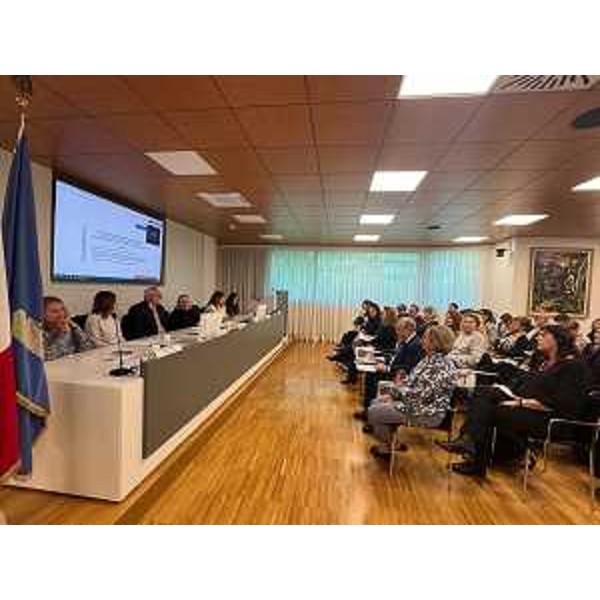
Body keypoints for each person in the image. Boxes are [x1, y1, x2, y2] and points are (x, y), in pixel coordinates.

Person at [442, 325, 591, 477]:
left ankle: (475, 455)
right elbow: (532, 387)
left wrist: (520, 403)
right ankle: (469, 442)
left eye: (543, 335)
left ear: (557, 340)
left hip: (551, 418)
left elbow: (563, 403)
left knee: (490, 411)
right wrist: (514, 396)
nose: (538, 338)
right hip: (529, 405)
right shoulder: (544, 361)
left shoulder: (573, 366)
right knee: (483, 392)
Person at [367, 325, 458, 460]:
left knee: (374, 412)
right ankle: (392, 443)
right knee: (375, 402)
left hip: (426, 412)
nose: (422, 340)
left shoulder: (441, 366)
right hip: (417, 405)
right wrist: (395, 393)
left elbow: (423, 395)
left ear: (435, 342)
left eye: (425, 337)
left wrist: (396, 396)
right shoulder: (429, 359)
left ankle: (388, 446)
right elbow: (411, 382)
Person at [356, 316, 424, 420]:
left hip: (399, 376)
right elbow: (395, 356)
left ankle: (369, 412)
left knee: (372, 377)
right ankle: (369, 410)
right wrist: (383, 360)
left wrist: (387, 368)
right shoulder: (408, 341)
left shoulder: (415, 345)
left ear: (408, 329)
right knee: (371, 372)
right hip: (394, 369)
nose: (397, 332)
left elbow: (409, 367)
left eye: (399, 330)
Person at [43, 296, 95, 361]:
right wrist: (59, 334)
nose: (61, 314)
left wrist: (75, 330)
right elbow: (47, 358)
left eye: (62, 309)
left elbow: (89, 348)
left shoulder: (71, 325)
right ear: (42, 314)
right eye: (54, 311)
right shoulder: (39, 331)